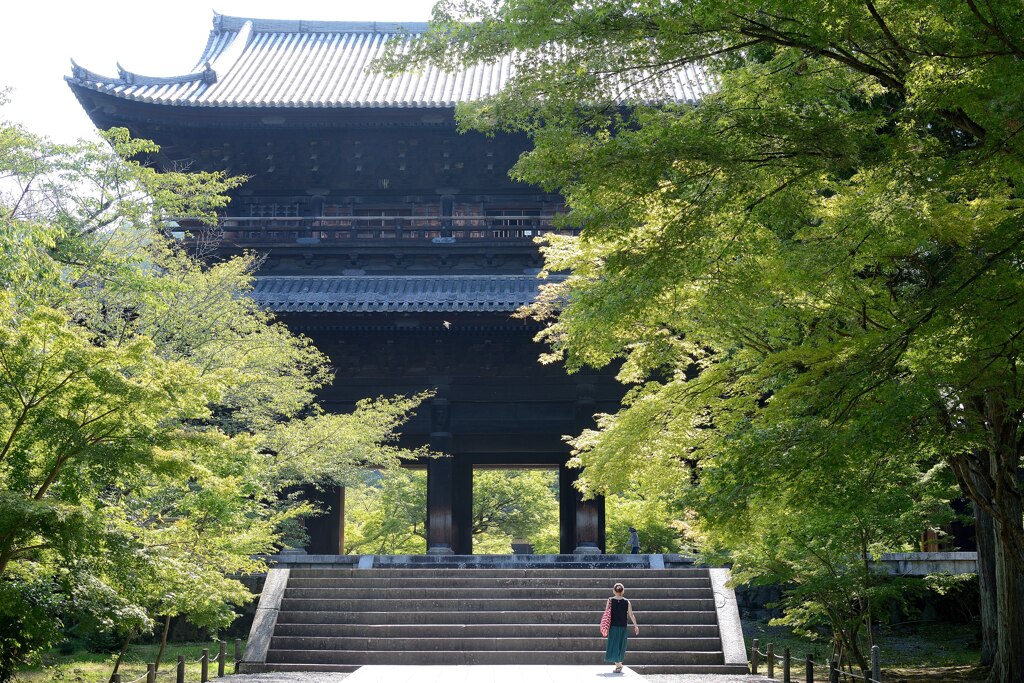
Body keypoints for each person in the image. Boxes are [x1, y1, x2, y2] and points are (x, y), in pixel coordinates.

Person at [604, 582, 639, 673]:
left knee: (613, 645)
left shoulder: (610, 600)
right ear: (623, 591)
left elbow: (606, 613)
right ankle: (619, 664)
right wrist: (635, 625)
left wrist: (605, 626)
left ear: (613, 591)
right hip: (623, 627)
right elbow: (631, 615)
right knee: (621, 645)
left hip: (613, 627)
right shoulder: (627, 602)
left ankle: (618, 665)